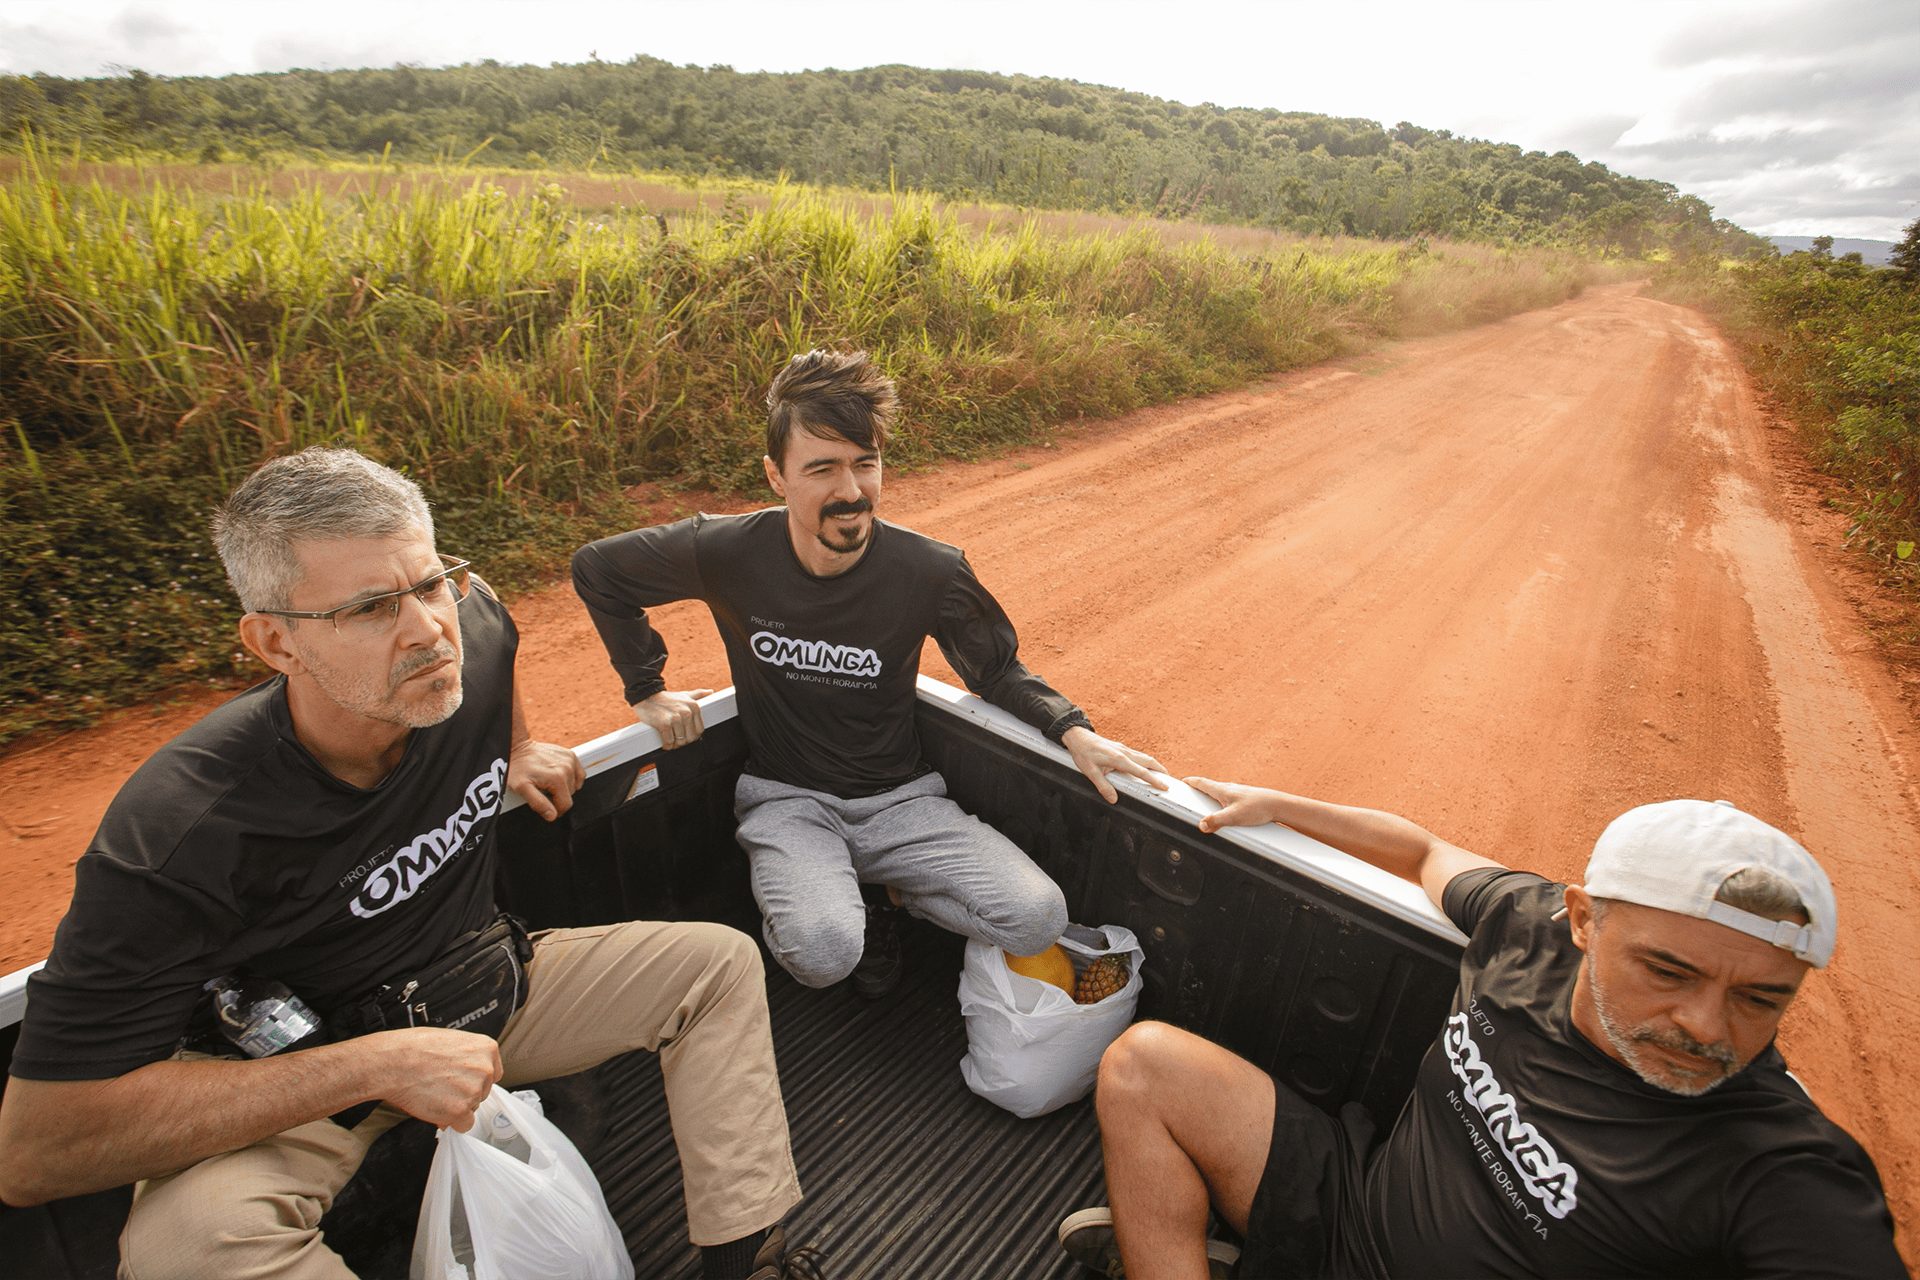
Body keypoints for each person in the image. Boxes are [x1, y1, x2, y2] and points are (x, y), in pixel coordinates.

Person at [0, 447, 819, 1280]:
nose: (428, 630)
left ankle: (747, 1258)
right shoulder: (181, 830)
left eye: (429, 585)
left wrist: (519, 744)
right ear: (275, 641)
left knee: (715, 965)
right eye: (369, 608)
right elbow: (37, 1150)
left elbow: (492, 628)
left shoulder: (467, 629)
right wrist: (376, 1064)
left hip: (485, 988)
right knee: (186, 1245)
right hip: (305, 1074)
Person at [1059, 780, 1905, 1278]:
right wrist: (1281, 805)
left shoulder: (1783, 1169)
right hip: (1351, 1216)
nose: (1705, 1026)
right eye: (1669, 971)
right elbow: (1424, 851)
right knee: (1145, 1065)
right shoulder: (1525, 927)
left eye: (1761, 999)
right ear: (1584, 920)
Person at [573, 348, 1165, 997]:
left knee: (1038, 919)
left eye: (865, 463)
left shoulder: (930, 571)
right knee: (824, 957)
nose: (851, 492)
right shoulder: (725, 551)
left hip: (903, 802)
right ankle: (836, 907)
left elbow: (995, 669)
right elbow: (599, 571)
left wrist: (1073, 730)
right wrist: (646, 688)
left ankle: (891, 897)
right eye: (822, 468)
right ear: (776, 475)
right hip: (787, 800)